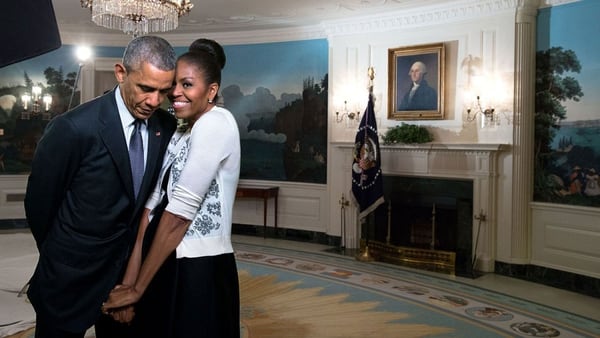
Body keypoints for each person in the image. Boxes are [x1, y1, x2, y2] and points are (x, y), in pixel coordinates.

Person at [24, 35, 178, 338]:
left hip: (125, 281)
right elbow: (40, 205)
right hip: (69, 277)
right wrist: (64, 256)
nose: (154, 101)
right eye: (146, 88)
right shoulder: (73, 128)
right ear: (121, 73)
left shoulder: (165, 127)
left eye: (164, 91)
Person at [102, 39, 241, 338]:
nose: (175, 93)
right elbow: (149, 212)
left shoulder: (217, 122)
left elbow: (180, 213)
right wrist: (131, 282)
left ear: (212, 90)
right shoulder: (180, 128)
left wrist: (137, 289)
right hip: (162, 255)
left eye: (187, 84)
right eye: (174, 84)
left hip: (198, 265)